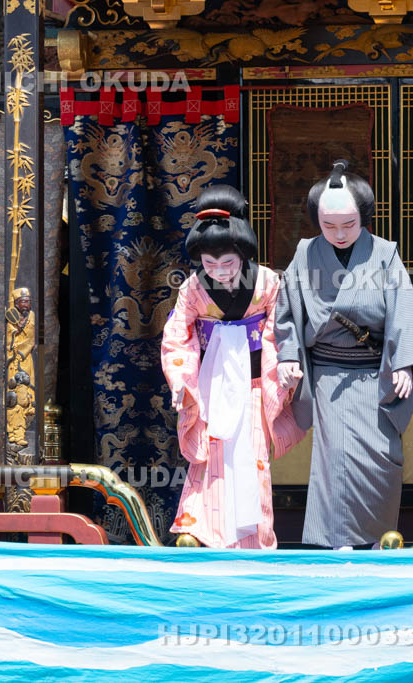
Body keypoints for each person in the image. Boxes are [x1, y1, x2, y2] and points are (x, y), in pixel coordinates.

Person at [274, 159, 413, 549]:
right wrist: (289, 355)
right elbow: (286, 312)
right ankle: (338, 545)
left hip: (375, 378)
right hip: (329, 379)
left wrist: (406, 363)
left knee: (382, 459)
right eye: (329, 226)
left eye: (348, 225)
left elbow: (403, 311)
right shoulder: (305, 255)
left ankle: (381, 541)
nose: (340, 234)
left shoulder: (383, 255)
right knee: (334, 465)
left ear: (364, 216)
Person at [161, 185, 304, 549]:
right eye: (210, 264)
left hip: (255, 386)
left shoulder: (269, 282)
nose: (220, 272)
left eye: (227, 263)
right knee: (211, 459)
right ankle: (204, 535)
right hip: (211, 386)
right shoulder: (193, 288)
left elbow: (281, 331)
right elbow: (178, 337)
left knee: (253, 462)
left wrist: (286, 364)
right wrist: (180, 380)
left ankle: (255, 540)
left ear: (242, 252)